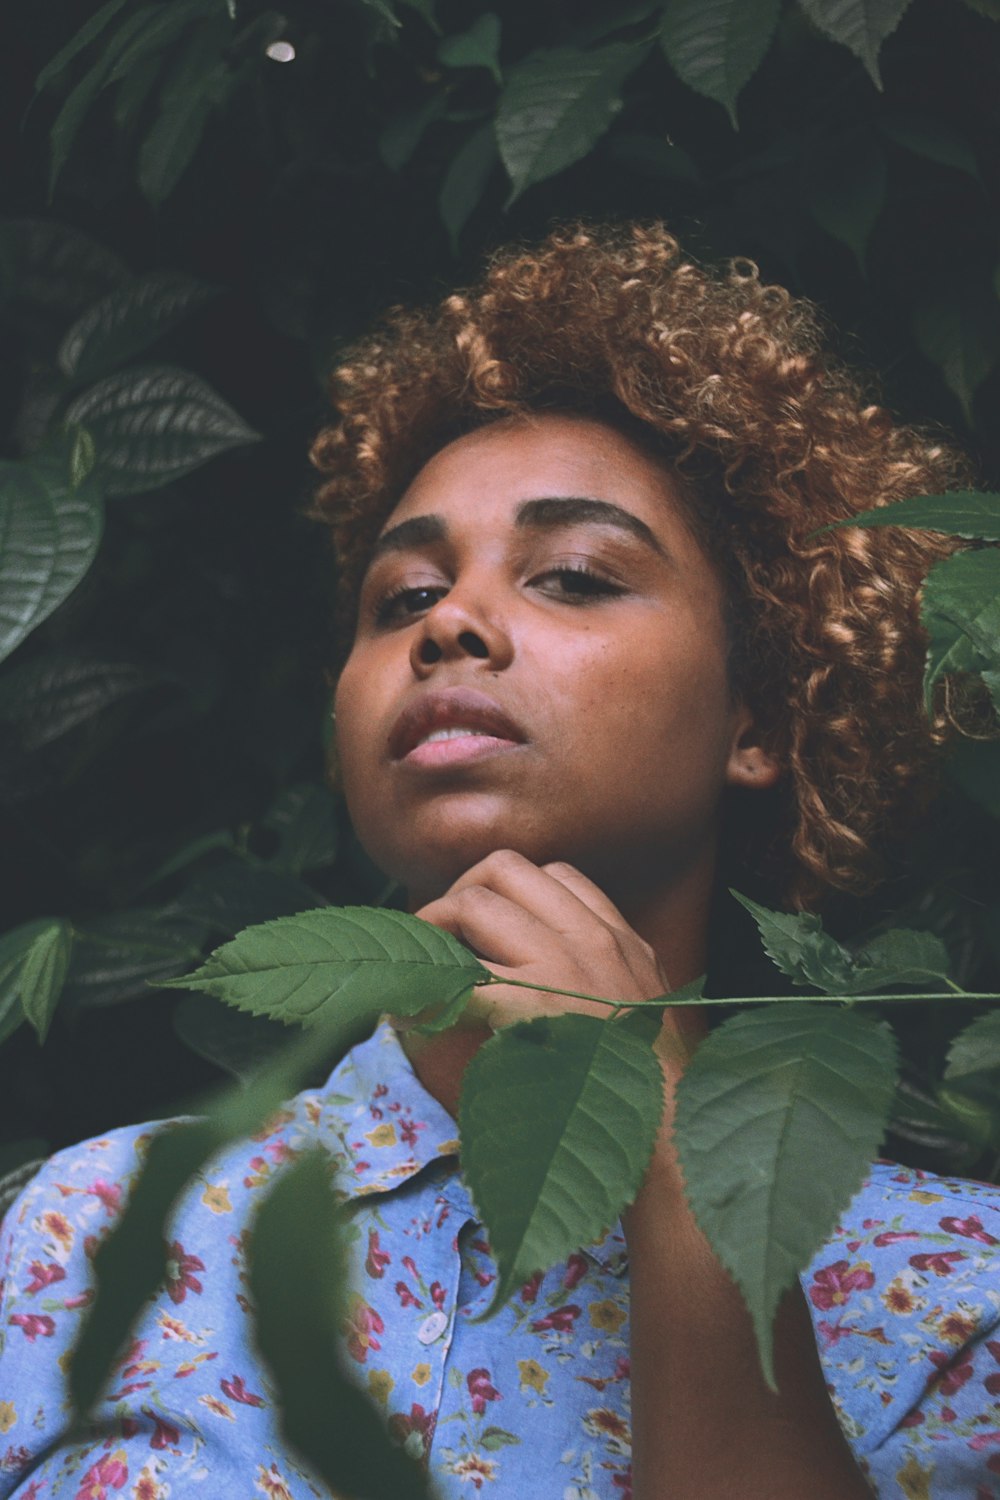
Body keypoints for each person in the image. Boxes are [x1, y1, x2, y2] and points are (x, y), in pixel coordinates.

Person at [1, 222, 998, 1500]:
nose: (452, 622)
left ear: (762, 717)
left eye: (574, 576)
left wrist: (682, 1179)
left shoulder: (950, 1294)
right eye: (403, 596)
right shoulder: (97, 1229)